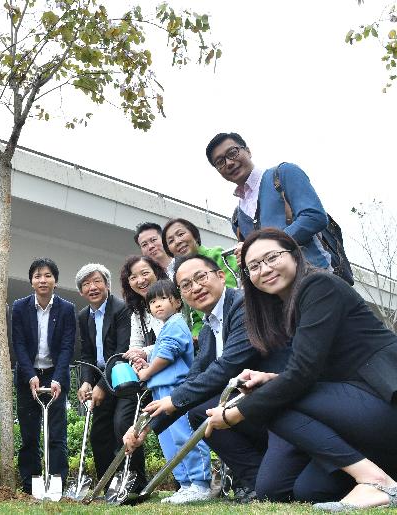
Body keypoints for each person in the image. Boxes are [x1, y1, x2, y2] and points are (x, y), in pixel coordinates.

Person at [204, 228, 397, 510]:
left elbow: (303, 375)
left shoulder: (319, 286)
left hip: (383, 400)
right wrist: (272, 377)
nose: (265, 269)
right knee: (308, 490)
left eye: (272, 257)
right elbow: (317, 371)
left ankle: (377, 481)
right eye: (254, 266)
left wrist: (234, 415)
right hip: (360, 409)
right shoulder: (285, 307)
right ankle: (378, 472)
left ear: (295, 254)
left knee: (269, 400)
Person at [123, 254, 288, 503]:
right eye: (186, 285)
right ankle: (252, 479)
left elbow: (227, 367)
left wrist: (173, 400)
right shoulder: (210, 327)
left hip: (281, 407)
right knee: (201, 411)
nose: (196, 288)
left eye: (201, 277)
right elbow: (194, 378)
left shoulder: (244, 306)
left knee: (306, 489)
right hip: (250, 407)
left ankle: (260, 477)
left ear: (220, 276)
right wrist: (145, 427)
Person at [131, 280, 212, 504]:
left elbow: (167, 354)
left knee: (184, 435)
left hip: (175, 390)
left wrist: (146, 373)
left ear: (177, 302)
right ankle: (186, 484)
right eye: (152, 302)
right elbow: (160, 354)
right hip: (160, 391)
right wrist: (146, 365)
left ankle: (200, 483)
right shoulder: (167, 326)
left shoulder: (176, 323)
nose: (157, 305)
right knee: (168, 440)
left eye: (163, 299)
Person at [205, 132, 332, 269]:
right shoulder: (237, 218)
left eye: (232, 152)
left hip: (315, 278)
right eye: (219, 162)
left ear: (248, 151)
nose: (229, 163)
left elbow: (315, 217)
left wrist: (264, 245)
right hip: (276, 287)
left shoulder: (283, 173)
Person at [75, 263, 146, 492]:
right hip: (99, 380)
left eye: (97, 281)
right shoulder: (84, 315)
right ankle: (108, 485)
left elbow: (121, 351)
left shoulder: (122, 309)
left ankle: (134, 483)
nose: (92, 287)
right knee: (99, 434)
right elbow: (86, 353)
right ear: (81, 291)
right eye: (86, 284)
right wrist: (86, 381)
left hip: (124, 379)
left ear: (107, 284)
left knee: (122, 426)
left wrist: (102, 386)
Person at [12, 258, 76, 494]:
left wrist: (58, 377)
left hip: (55, 374)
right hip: (27, 376)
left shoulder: (67, 309)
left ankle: (57, 482)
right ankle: (30, 483)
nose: (43, 280)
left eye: (48, 275)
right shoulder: (19, 307)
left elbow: (68, 347)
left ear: (55, 281)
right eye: (38, 276)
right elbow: (18, 344)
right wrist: (29, 375)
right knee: (29, 433)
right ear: (31, 281)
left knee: (56, 433)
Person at [162, 218, 240, 338]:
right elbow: (197, 316)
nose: (177, 241)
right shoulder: (181, 276)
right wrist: (197, 335)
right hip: (214, 331)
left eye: (181, 234)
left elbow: (232, 291)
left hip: (236, 319)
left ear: (195, 236)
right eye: (171, 241)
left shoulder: (216, 254)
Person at [119, 255, 167, 354]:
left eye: (145, 273)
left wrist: (144, 353)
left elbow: (173, 341)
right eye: (133, 277)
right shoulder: (137, 313)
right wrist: (135, 360)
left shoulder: (172, 299)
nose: (140, 281)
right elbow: (134, 347)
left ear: (156, 273)